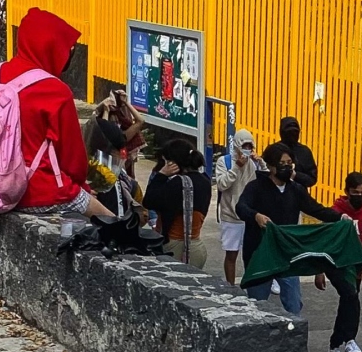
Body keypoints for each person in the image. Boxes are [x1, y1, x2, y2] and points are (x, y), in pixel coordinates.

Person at [3, 7, 112, 219]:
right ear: (51, 47)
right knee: (114, 223)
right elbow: (73, 161)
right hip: (35, 190)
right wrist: (81, 188)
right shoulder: (54, 90)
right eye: (66, 49)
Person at [236, 142, 348, 316]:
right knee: (258, 305)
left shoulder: (296, 190)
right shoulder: (255, 187)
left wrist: (340, 217)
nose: (287, 167)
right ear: (271, 166)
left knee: (294, 303)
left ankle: (293, 331)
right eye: (282, 163)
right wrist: (255, 216)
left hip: (287, 254)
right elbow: (241, 207)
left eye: (290, 163)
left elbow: (315, 209)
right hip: (260, 254)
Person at [145, 139, 211, 268]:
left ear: (173, 162)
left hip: (176, 248)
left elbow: (149, 201)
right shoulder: (205, 181)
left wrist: (161, 175)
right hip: (196, 246)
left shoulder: (179, 184)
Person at [317, 172, 362, 290]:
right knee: (349, 294)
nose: (359, 196)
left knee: (352, 296)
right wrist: (319, 271)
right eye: (355, 192)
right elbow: (322, 241)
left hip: (358, 266)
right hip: (338, 264)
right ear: (347, 192)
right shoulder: (335, 212)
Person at [214, 129, 266, 285]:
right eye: (244, 146)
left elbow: (266, 182)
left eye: (250, 146)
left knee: (253, 254)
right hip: (231, 216)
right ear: (237, 145)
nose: (247, 149)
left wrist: (261, 163)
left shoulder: (254, 163)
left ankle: (252, 285)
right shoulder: (224, 161)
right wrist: (236, 167)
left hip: (250, 216)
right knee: (231, 255)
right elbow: (222, 184)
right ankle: (231, 287)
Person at [278, 117, 317, 189]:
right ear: (282, 133)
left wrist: (295, 175)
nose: (292, 135)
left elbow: (312, 179)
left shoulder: (304, 152)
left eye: (295, 132)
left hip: (298, 193)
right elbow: (264, 171)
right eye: (289, 133)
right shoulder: (273, 150)